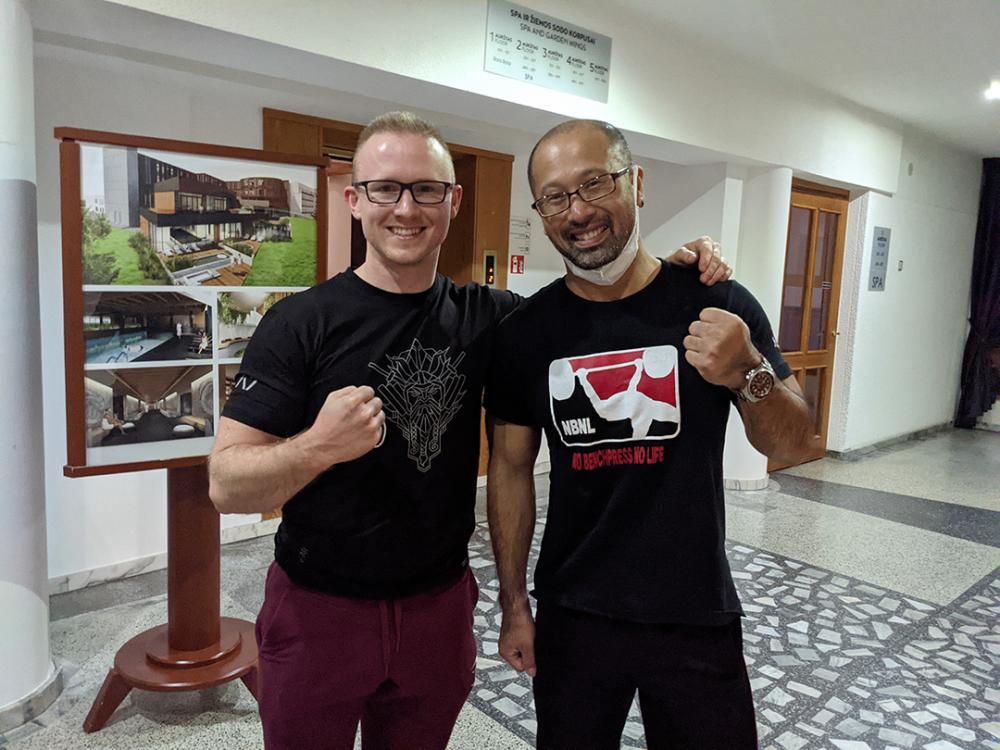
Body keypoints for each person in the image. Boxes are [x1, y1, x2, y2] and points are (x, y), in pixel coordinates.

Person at [207, 111, 730, 750]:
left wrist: (678, 269)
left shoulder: (493, 319)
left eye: (426, 188)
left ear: (452, 202)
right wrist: (318, 445)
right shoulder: (299, 323)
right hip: (320, 609)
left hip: (438, 611)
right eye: (385, 188)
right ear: (354, 200)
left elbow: (594, 302)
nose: (406, 207)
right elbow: (228, 487)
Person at [484, 119, 814, 750]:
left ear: (636, 183)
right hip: (575, 613)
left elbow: (795, 444)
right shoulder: (525, 334)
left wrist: (747, 372)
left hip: (695, 609)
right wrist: (514, 604)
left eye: (594, 183)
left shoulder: (717, 302)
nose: (578, 211)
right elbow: (509, 469)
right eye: (555, 196)